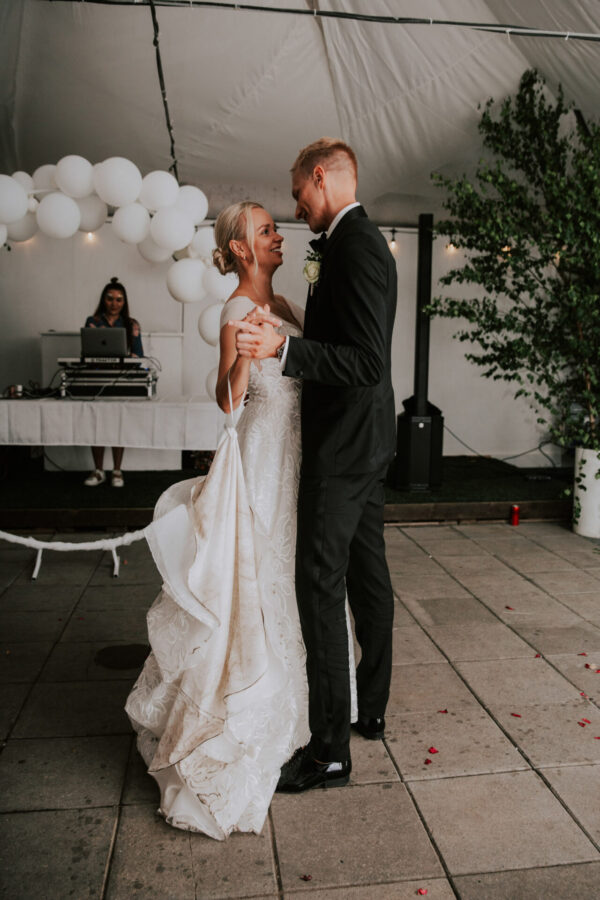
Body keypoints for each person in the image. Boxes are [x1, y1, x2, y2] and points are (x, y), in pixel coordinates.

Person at [126, 201, 342, 838]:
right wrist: (245, 359)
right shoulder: (235, 311)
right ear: (242, 249)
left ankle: (301, 707)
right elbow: (226, 401)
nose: (279, 236)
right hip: (262, 462)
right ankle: (241, 712)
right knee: (257, 585)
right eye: (266, 230)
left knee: (290, 582)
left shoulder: (288, 306)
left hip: (296, 459)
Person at [231, 138, 397, 792]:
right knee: (367, 574)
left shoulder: (357, 247)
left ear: (320, 177)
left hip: (343, 444)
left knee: (319, 585)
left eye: (298, 191)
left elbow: (366, 362)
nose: (296, 205)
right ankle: (370, 707)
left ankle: (329, 750)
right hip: (366, 440)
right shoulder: (348, 244)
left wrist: (285, 350)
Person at [82, 277, 143, 488]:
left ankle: (117, 470)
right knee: (96, 424)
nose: (114, 303)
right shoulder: (92, 321)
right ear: (103, 300)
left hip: (121, 381)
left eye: (119, 299)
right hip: (96, 380)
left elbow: (138, 355)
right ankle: (98, 470)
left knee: (118, 424)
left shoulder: (132, 324)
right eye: (110, 298)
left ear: (124, 302)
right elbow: (87, 351)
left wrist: (125, 360)